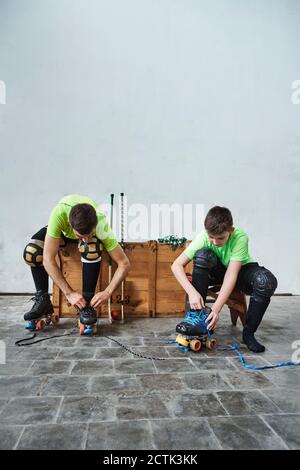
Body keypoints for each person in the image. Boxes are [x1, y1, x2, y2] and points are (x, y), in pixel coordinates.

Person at [171, 206, 277, 353]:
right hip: (216, 270)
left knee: (266, 282)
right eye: (211, 237)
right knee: (203, 255)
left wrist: (215, 310)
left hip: (240, 271)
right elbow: (176, 265)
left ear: (231, 230)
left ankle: (248, 334)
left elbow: (231, 275)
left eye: (220, 238)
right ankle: (199, 319)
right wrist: (192, 292)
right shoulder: (203, 237)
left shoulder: (240, 237)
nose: (215, 242)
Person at [23, 194, 130, 326]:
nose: (84, 239)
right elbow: (48, 259)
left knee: (91, 246)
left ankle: (87, 306)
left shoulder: (101, 224)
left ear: (94, 226)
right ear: (70, 225)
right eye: (80, 236)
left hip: (85, 233)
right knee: (31, 251)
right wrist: (69, 293)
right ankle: (43, 300)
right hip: (63, 233)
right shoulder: (59, 214)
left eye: (88, 235)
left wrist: (107, 292)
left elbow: (124, 263)